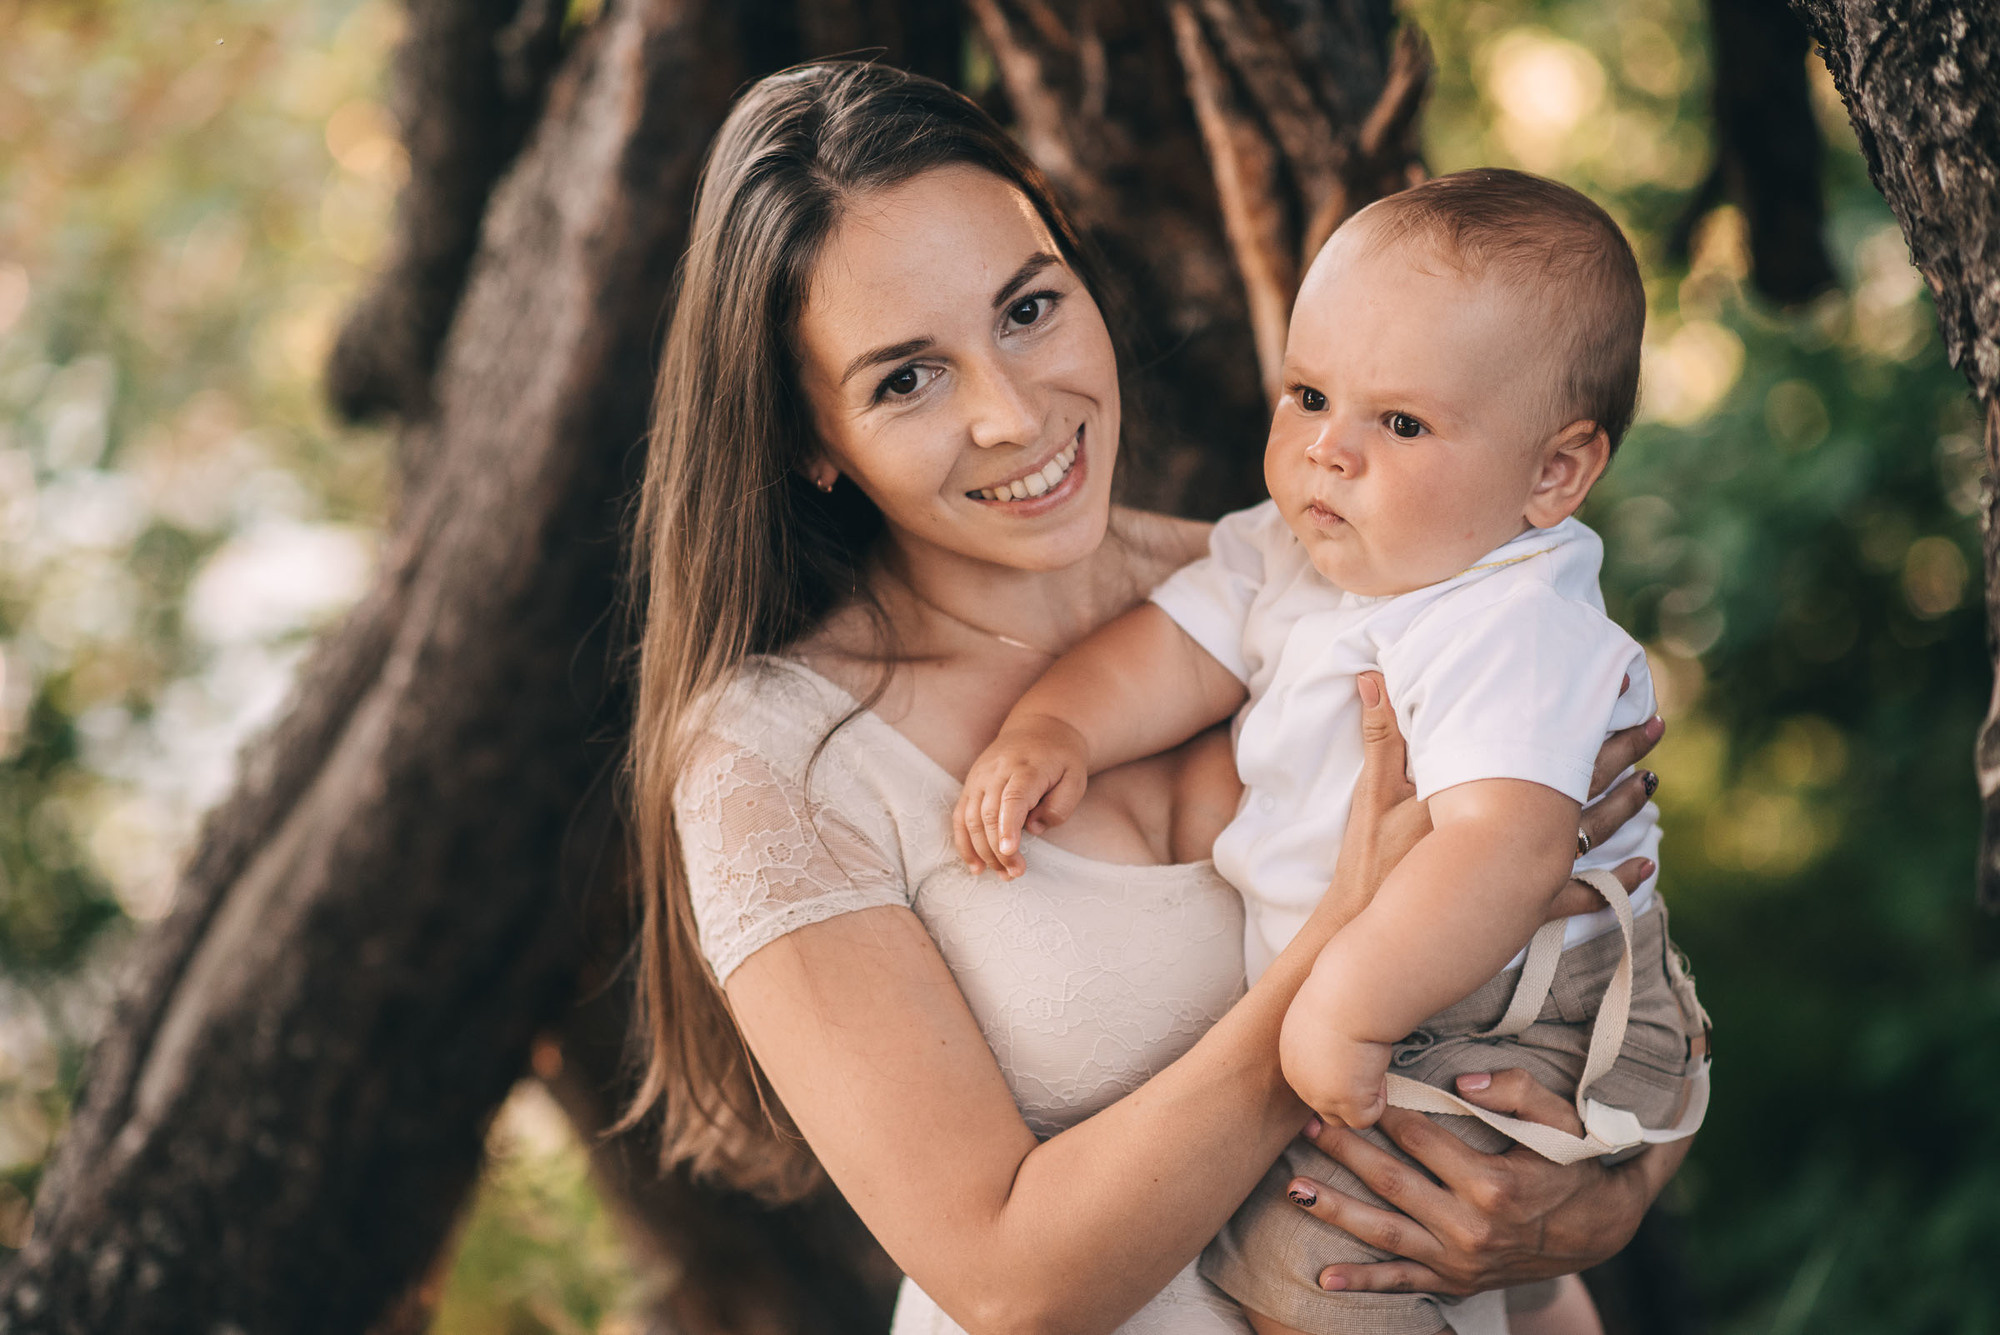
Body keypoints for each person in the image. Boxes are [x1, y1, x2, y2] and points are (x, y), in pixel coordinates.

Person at [625, 63, 1684, 1335]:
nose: (1012, 415)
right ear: (810, 439)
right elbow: (1011, 1284)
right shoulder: (774, 761)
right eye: (905, 379)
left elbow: (1620, 967)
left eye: (1027, 308)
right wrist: (1339, 943)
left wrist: (1597, 1207)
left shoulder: (1334, 593)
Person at [953, 170, 1711, 1335]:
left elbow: (1503, 849)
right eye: (1306, 395)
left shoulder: (1515, 620)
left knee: (1323, 1270)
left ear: (1550, 474)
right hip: (1400, 1006)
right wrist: (1052, 727)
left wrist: (1341, 1005)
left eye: (1398, 423)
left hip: (1502, 1007)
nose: (1328, 452)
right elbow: (1171, 649)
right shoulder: (1296, 551)